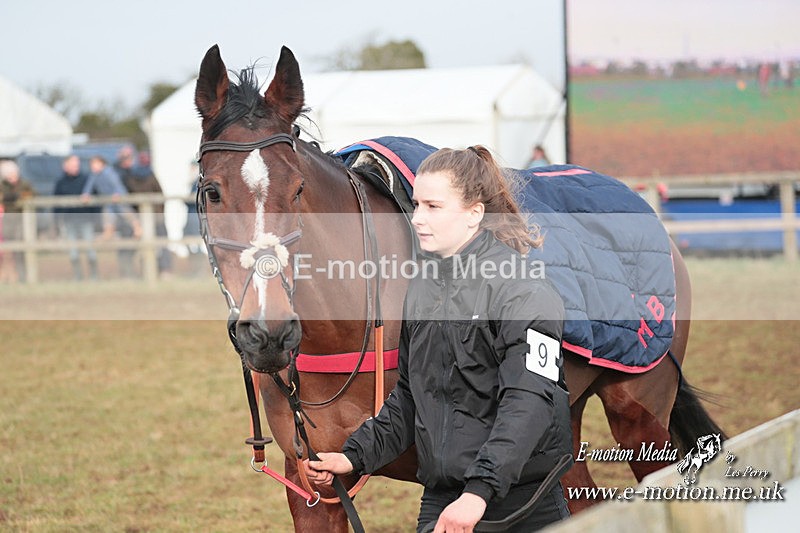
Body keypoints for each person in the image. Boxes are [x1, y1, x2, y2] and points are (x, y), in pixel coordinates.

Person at [305, 146, 572, 532]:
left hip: (521, 502)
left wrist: (478, 493)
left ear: (474, 214)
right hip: (444, 496)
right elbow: (409, 396)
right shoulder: (421, 289)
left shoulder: (524, 291)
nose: (417, 218)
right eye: (416, 205)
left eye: (433, 206)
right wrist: (353, 456)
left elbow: (528, 403)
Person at [115, 147, 173, 278]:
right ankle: (164, 271)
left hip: (144, 217)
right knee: (160, 244)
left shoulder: (128, 177)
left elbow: (131, 199)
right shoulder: (148, 174)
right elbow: (160, 193)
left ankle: (148, 271)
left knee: (146, 245)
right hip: (155, 215)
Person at [81, 155, 142, 278]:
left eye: (95, 164)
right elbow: (89, 186)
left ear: (102, 164)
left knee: (126, 213)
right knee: (107, 217)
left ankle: (137, 228)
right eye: (92, 165)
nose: (93, 167)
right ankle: (108, 233)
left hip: (118, 199)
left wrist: (118, 194)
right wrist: (86, 194)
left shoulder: (108, 172)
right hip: (108, 202)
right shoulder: (94, 175)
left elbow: (117, 185)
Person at [53, 155, 99, 281]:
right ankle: (78, 277)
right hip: (69, 221)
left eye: (77, 165)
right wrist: (57, 222)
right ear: (65, 166)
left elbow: (96, 198)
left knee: (90, 250)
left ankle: (94, 276)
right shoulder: (60, 182)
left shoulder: (86, 180)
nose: (76, 167)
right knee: (73, 252)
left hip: (86, 220)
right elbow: (56, 204)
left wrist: (95, 217)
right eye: (73, 165)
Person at [0, 160, 35, 282]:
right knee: (8, 251)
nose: (13, 177)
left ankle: (23, 276)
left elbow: (33, 195)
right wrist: (7, 198)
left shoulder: (24, 184)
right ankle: (9, 277)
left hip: (22, 221)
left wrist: (21, 196)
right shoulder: (2, 186)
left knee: (21, 250)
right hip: (7, 221)